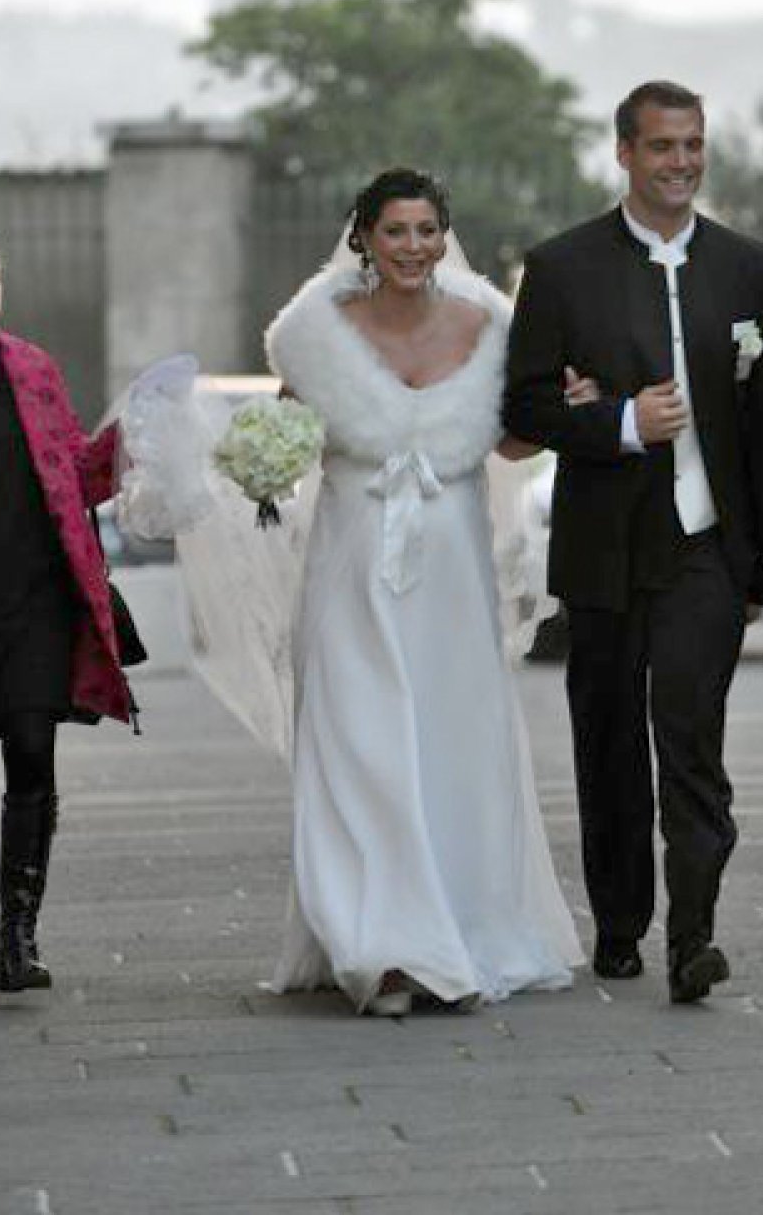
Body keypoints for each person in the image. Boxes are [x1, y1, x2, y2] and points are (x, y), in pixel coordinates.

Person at [257, 167, 585, 1016]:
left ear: (445, 235)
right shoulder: (317, 332)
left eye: (427, 230)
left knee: (449, 742)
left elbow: (510, 441)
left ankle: (459, 924)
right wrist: (258, 460)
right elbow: (287, 432)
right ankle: (382, 947)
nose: (413, 246)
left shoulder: (490, 325)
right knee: (357, 739)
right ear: (364, 237)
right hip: (351, 564)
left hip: (451, 574)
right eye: (396, 231)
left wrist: (570, 408)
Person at [504, 81, 763, 1004]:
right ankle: (621, 920)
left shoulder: (748, 265)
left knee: (691, 737)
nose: (681, 162)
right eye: (663, 146)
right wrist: (620, 422)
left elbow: (759, 420)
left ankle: (694, 935)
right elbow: (524, 408)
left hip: (707, 546)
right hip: (606, 547)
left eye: (693, 144)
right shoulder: (561, 266)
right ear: (624, 152)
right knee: (610, 737)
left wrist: (757, 562)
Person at [0, 226, 134, 1000]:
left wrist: (130, 441)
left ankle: (19, 939)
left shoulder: (32, 368)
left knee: (33, 753)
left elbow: (76, 472)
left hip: (34, 599)